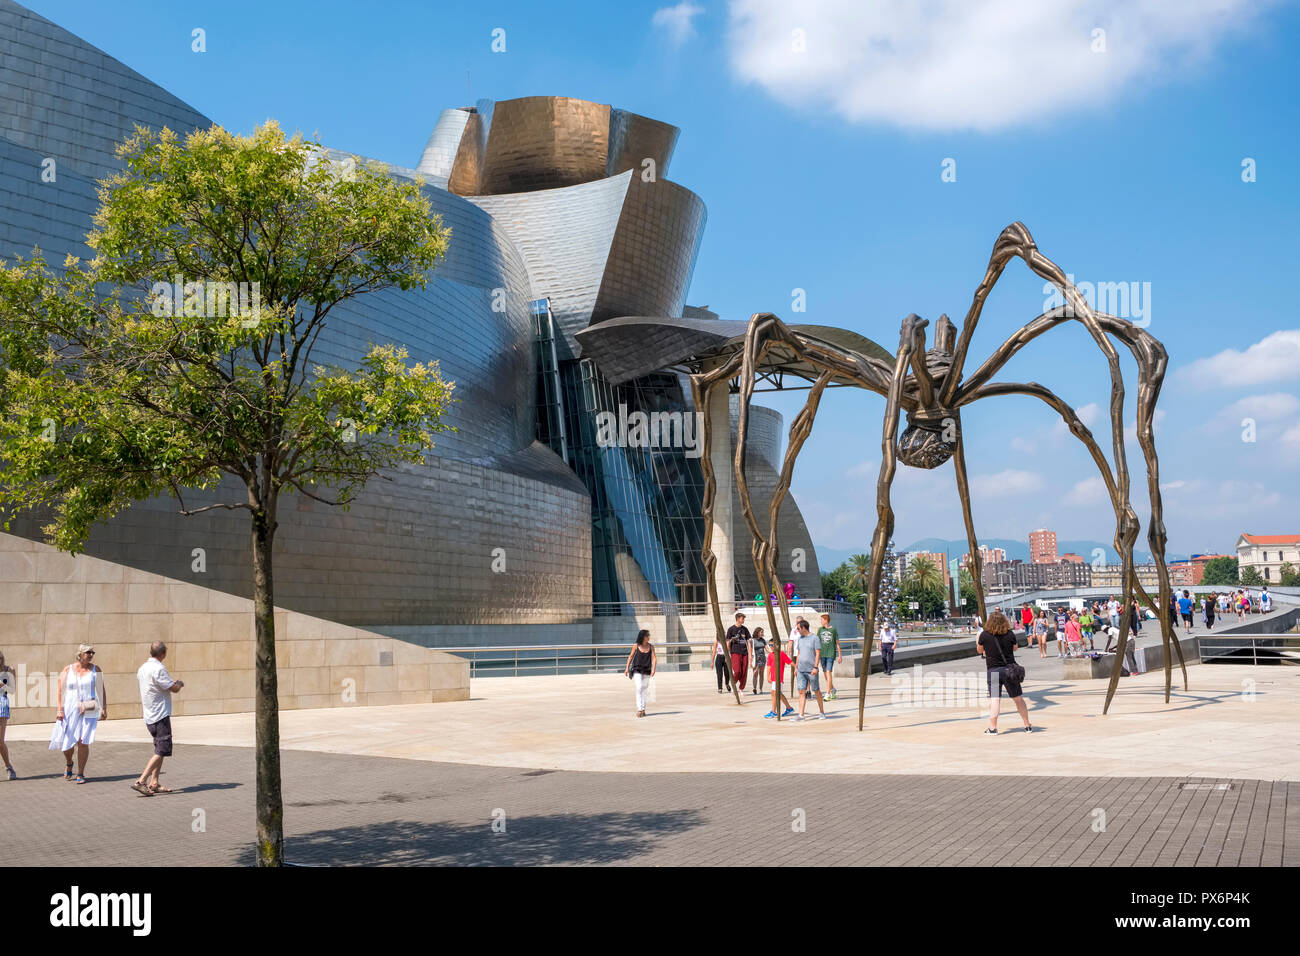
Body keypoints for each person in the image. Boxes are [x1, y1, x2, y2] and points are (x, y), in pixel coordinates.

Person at [49, 645, 106, 784]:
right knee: (67, 742)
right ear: (80, 654)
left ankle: (80, 772)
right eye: (88, 652)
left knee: (83, 741)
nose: (91, 654)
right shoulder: (68, 669)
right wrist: (60, 709)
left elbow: (101, 689)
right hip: (70, 709)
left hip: (89, 708)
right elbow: (60, 690)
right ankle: (69, 762)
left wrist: (104, 707)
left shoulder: (95, 669)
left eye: (92, 652)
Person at [133, 641, 185, 793]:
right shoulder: (159, 669)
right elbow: (173, 688)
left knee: (159, 748)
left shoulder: (143, 668)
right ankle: (141, 781)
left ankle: (154, 782)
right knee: (162, 749)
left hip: (150, 715)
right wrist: (179, 684)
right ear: (163, 654)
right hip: (160, 715)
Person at [977, 610, 1032, 733]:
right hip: (1009, 671)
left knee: (995, 699)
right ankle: (1027, 725)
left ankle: (993, 728)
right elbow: (1015, 648)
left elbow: (979, 650)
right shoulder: (1010, 634)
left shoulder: (984, 635)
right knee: (1018, 699)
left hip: (993, 671)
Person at [792, 620, 825, 720]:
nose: (797, 630)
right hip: (801, 670)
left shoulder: (814, 638)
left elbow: (818, 653)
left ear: (803, 628)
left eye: (798, 628)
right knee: (802, 691)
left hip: (811, 670)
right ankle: (801, 715)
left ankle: (822, 712)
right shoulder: (800, 639)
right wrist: (796, 667)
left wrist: (815, 667)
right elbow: (798, 654)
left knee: (816, 690)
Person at [623, 629, 656, 718]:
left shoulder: (651, 647)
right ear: (643, 637)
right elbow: (630, 657)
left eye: (649, 635)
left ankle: (643, 709)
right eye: (647, 636)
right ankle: (639, 709)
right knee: (639, 687)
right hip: (637, 669)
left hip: (647, 669)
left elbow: (654, 658)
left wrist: (653, 669)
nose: (649, 637)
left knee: (644, 689)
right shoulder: (636, 646)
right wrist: (626, 668)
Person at [764, 639, 795, 718]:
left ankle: (774, 711)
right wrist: (768, 676)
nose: (771, 647)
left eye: (772, 645)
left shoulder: (781, 654)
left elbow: (790, 662)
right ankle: (789, 708)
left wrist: (797, 668)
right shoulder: (770, 655)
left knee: (775, 693)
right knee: (777, 694)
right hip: (773, 678)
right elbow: (768, 666)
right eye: (769, 645)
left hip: (779, 678)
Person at [816, 612, 841, 700]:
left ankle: (827, 693)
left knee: (828, 672)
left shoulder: (833, 630)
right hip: (822, 654)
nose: (821, 621)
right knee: (826, 674)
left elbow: (837, 643)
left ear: (826, 620)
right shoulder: (820, 630)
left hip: (830, 654)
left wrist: (840, 655)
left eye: (822, 620)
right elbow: (817, 642)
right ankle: (833, 689)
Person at [727, 612, 751, 698]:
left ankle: (741, 689)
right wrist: (727, 654)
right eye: (742, 618)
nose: (743, 620)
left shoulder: (745, 629)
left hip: (745, 653)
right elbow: (728, 642)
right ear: (738, 619)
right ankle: (733, 684)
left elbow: (748, 642)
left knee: (744, 672)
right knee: (737, 671)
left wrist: (751, 655)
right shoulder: (731, 629)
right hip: (735, 652)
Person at [0, 651, 15, 780]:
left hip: (1, 704)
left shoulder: (9, 670)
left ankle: (8, 767)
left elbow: (12, 690)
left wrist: (2, 685)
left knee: (0, 741)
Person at [712, 630, 731, 694]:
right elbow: (714, 651)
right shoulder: (716, 642)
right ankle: (720, 688)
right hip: (719, 658)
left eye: (724, 633)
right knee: (719, 674)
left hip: (726, 658)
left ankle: (727, 684)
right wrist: (712, 661)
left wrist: (726, 657)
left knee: (727, 673)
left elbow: (728, 650)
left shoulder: (727, 641)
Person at [750, 627, 768, 696]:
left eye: (762, 632)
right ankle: (754, 688)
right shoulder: (752, 640)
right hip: (756, 658)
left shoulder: (763, 640)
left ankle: (760, 688)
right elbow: (750, 650)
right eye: (761, 632)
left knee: (761, 674)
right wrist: (750, 659)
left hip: (762, 658)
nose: (762, 633)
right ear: (757, 632)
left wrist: (772, 652)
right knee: (755, 673)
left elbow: (767, 648)